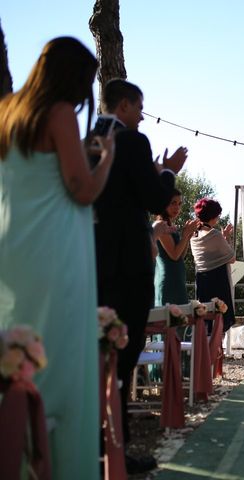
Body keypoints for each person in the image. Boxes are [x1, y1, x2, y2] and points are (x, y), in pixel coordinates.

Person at [0, 37, 114, 479]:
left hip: (13, 249)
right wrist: (105, 159)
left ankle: (17, 454)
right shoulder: (61, 113)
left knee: (20, 347)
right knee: (60, 356)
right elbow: (81, 189)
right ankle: (61, 463)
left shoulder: (8, 111)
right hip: (55, 250)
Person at [93, 78, 187, 474]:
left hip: (92, 261)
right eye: (140, 106)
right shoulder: (133, 141)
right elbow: (153, 199)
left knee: (94, 356)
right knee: (122, 358)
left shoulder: (88, 137)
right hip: (128, 266)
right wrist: (167, 172)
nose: (143, 115)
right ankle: (117, 447)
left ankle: (89, 439)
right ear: (126, 105)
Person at [190, 198, 236, 332]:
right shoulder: (214, 234)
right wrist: (225, 238)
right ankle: (215, 351)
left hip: (202, 280)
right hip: (218, 280)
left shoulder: (194, 235)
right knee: (219, 319)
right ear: (214, 216)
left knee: (205, 320)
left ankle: (206, 351)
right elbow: (231, 257)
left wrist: (224, 237)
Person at [153, 189, 199, 306]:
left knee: (180, 319)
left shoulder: (170, 225)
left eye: (179, 204)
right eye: (173, 203)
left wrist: (187, 236)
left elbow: (180, 255)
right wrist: (185, 234)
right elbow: (174, 255)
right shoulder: (161, 225)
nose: (177, 208)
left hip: (177, 278)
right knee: (169, 320)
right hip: (168, 279)